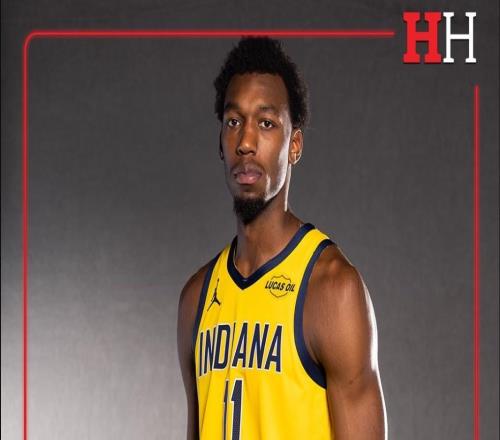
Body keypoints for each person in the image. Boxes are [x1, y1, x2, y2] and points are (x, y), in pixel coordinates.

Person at [177, 37, 387, 440]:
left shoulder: (332, 290)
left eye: (266, 123)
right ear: (220, 143)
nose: (246, 142)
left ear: (294, 145)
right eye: (233, 122)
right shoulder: (196, 300)